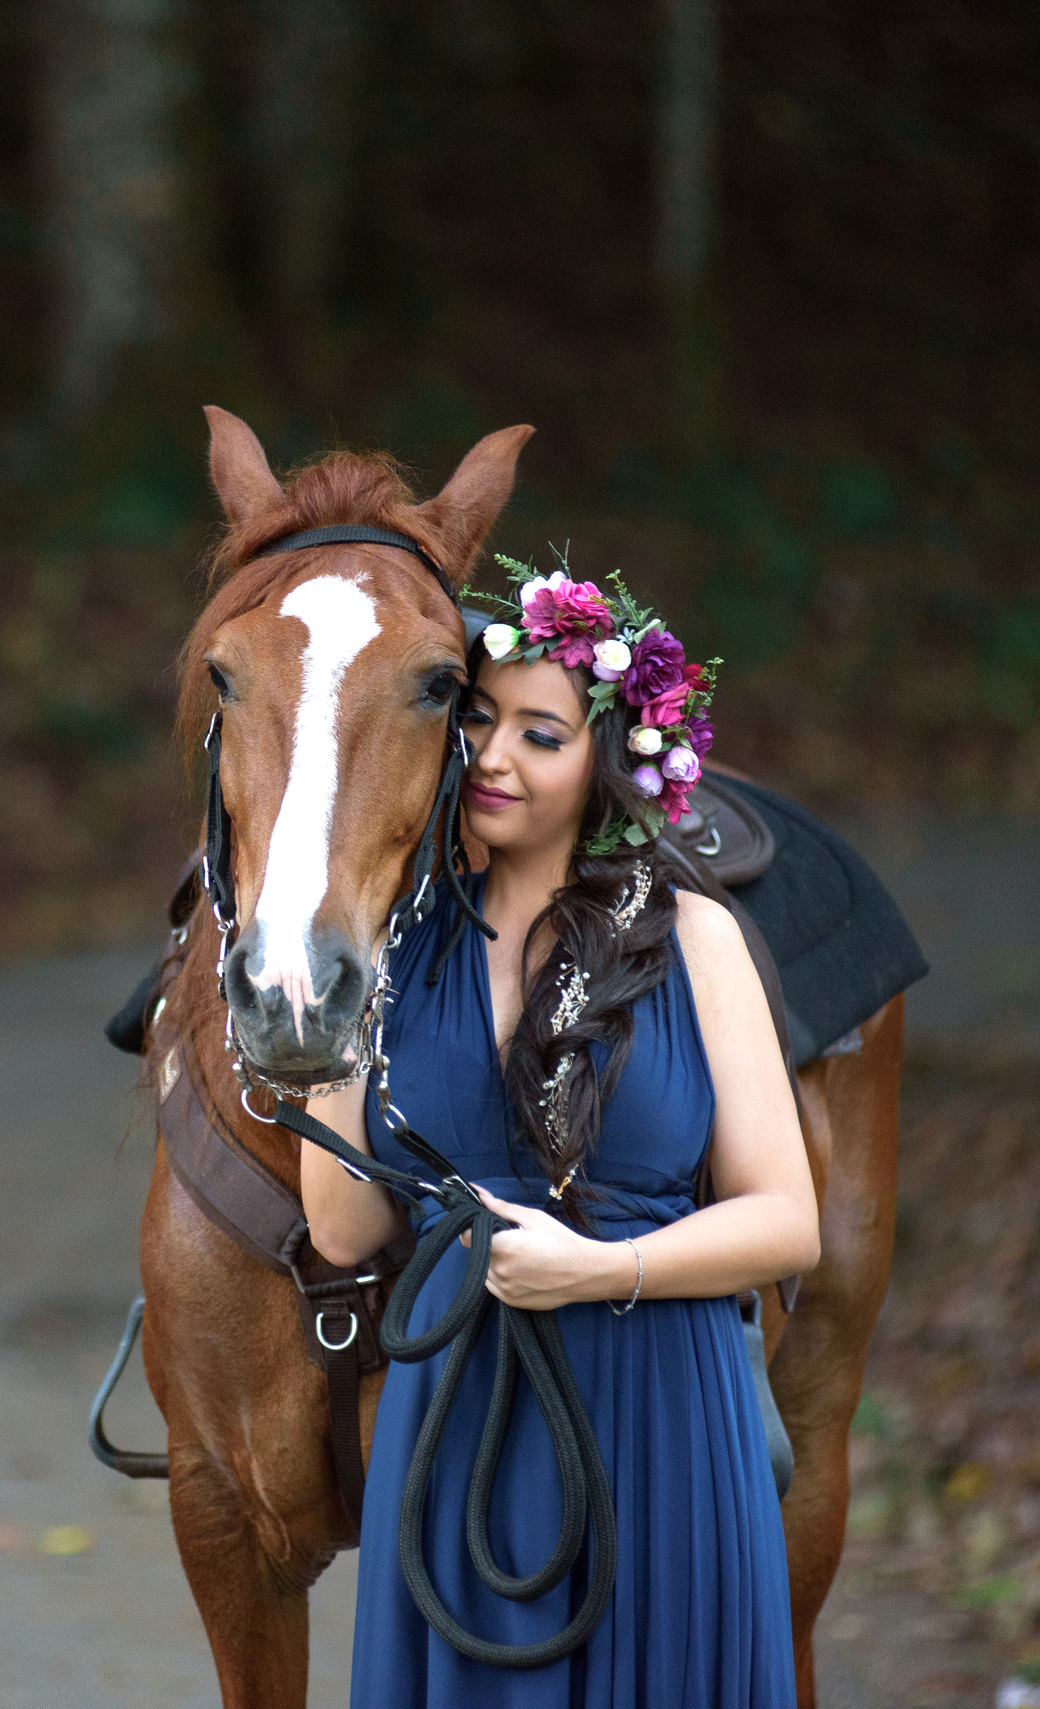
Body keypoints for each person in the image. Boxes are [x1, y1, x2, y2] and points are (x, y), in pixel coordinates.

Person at [297, 564, 816, 1707]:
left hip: (661, 1410)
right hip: (459, 1417)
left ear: (606, 763)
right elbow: (340, 1228)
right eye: (478, 719)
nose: (493, 755)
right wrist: (336, 1000)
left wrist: (597, 1268)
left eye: (540, 734)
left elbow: (787, 1221)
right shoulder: (400, 947)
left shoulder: (694, 939)